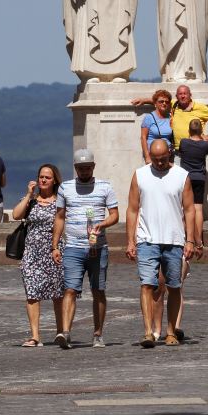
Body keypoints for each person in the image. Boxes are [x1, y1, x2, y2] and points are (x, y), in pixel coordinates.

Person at [126, 139, 201, 347]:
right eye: (155, 159)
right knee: (147, 284)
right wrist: (130, 240)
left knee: (174, 286)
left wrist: (191, 239)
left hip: (174, 239)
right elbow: (132, 209)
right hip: (147, 239)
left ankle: (170, 331)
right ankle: (148, 331)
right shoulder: (140, 175)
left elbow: (189, 209)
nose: (159, 163)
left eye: (163, 159)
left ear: (170, 154)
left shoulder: (181, 176)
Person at [51, 149, 120, 348]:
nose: (84, 171)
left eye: (87, 168)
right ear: (75, 168)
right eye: (80, 168)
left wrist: (103, 225)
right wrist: (55, 245)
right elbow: (60, 217)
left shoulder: (105, 187)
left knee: (98, 289)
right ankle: (65, 331)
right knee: (70, 289)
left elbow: (115, 214)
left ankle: (98, 333)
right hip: (73, 246)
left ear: (93, 167)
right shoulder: (65, 188)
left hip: (98, 247)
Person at [13, 164, 65, 347]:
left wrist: (55, 246)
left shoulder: (60, 201)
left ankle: (61, 332)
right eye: (41, 176)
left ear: (54, 181)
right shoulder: (32, 201)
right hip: (32, 253)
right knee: (32, 293)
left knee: (57, 293)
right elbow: (16, 214)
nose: (43, 180)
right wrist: (28, 194)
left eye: (47, 177)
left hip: (53, 250)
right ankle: (35, 335)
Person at [176, 118, 208, 247]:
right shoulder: (204, 145)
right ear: (201, 130)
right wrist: (203, 137)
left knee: (185, 207)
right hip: (200, 177)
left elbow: (180, 153)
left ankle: (186, 236)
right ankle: (199, 239)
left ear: (189, 130)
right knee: (198, 208)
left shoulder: (184, 142)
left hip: (186, 178)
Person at [140, 89, 174, 162]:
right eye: (161, 101)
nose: (164, 103)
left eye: (166, 102)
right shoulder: (149, 117)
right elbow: (143, 138)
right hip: (153, 157)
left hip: (167, 156)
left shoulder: (170, 117)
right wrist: (147, 157)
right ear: (155, 103)